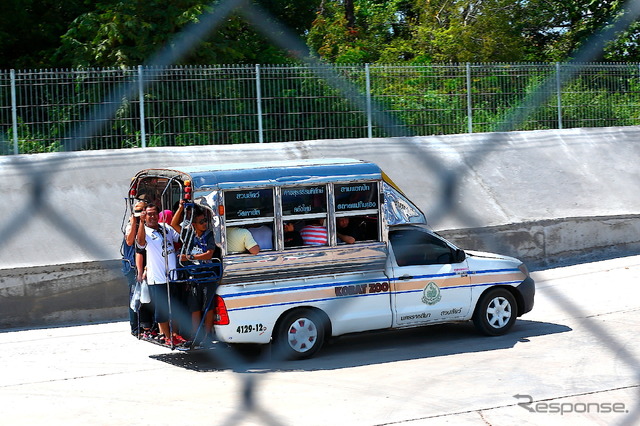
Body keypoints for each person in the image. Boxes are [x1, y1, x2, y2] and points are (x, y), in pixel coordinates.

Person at [136, 204, 188, 347]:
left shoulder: (166, 228)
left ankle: (175, 334)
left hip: (172, 276)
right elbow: (140, 244)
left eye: (154, 214)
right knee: (162, 310)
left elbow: (179, 237)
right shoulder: (144, 231)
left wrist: (180, 209)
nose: (152, 217)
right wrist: (140, 222)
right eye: (149, 214)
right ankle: (167, 336)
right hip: (157, 279)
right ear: (145, 216)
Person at [172, 202, 221, 342]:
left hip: (207, 275)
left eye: (205, 220)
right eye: (201, 222)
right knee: (195, 307)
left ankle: (206, 334)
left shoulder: (210, 235)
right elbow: (173, 224)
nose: (204, 224)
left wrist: (188, 257)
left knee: (208, 306)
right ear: (193, 224)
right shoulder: (188, 235)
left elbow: (208, 254)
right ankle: (195, 334)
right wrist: (181, 208)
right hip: (194, 276)